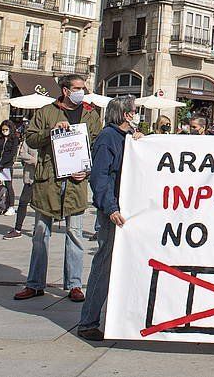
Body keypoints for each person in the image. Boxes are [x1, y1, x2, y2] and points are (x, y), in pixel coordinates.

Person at [15, 74, 103, 302]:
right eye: (77, 88)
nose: (81, 92)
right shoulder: (46, 112)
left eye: (83, 88)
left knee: (74, 235)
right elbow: (31, 139)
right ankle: (34, 283)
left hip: (76, 183)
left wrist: (88, 169)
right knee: (40, 234)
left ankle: (74, 284)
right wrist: (51, 131)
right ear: (65, 90)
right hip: (49, 181)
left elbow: (97, 147)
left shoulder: (91, 115)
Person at [78, 95, 144, 340]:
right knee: (104, 263)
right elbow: (99, 177)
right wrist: (110, 207)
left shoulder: (126, 137)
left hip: (127, 208)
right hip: (114, 211)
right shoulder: (107, 138)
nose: (136, 114)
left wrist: (139, 142)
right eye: (135, 111)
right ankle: (88, 322)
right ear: (126, 114)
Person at [3, 135, 39, 240]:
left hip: (44, 179)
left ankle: (39, 229)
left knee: (40, 206)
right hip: (30, 177)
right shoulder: (29, 140)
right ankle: (17, 229)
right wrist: (36, 161)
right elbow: (23, 154)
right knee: (23, 202)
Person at [0, 120, 20, 215]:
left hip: (7, 165)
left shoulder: (14, 139)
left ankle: (11, 206)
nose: (4, 131)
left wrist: (3, 163)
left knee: (8, 185)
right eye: (3, 129)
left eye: (6, 129)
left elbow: (12, 153)